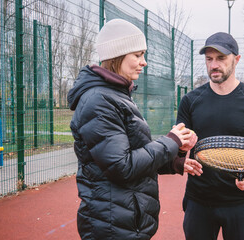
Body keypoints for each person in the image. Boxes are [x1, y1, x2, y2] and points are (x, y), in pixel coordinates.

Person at [67, 19, 202, 240]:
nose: (144, 62)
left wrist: (175, 159)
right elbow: (122, 166)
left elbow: (134, 154)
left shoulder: (115, 95)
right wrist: (170, 141)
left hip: (125, 219)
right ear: (117, 55)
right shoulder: (99, 101)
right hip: (111, 224)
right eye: (138, 55)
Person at [176, 32, 244, 240]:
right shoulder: (190, 101)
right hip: (199, 201)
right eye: (209, 59)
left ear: (236, 59)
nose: (214, 65)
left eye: (221, 58)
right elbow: (178, 147)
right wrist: (181, 153)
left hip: (240, 202)